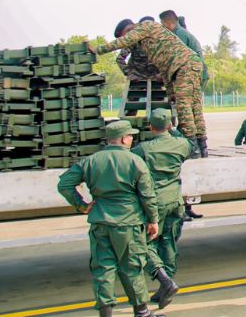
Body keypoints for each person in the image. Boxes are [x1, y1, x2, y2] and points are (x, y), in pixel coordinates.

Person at [57, 120, 162, 317]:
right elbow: (147, 195)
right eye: (130, 136)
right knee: (132, 267)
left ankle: (105, 313)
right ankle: (141, 312)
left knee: (103, 269)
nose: (132, 139)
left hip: (100, 222)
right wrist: (153, 220)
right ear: (123, 139)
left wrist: (81, 204)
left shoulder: (91, 161)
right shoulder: (135, 161)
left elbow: (64, 184)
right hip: (128, 223)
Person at [89, 19, 208, 157]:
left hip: (184, 65)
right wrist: (170, 92)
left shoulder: (145, 26)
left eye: (125, 35)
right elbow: (163, 67)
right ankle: (202, 147)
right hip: (189, 64)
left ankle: (193, 148)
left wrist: (98, 50)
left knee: (184, 107)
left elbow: (123, 41)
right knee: (194, 107)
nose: (128, 40)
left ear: (129, 30)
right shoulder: (149, 44)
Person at [131, 109, 191, 310]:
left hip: (154, 203)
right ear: (170, 125)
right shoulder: (181, 144)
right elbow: (188, 144)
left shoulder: (143, 149)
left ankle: (165, 281)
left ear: (150, 127)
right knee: (169, 241)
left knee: (144, 243)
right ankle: (167, 283)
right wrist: (173, 131)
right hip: (175, 200)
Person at [116, 17, 162, 82]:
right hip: (137, 79)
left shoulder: (160, 39)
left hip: (156, 78)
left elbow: (169, 58)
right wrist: (129, 73)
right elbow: (120, 59)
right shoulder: (133, 39)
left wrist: (163, 73)